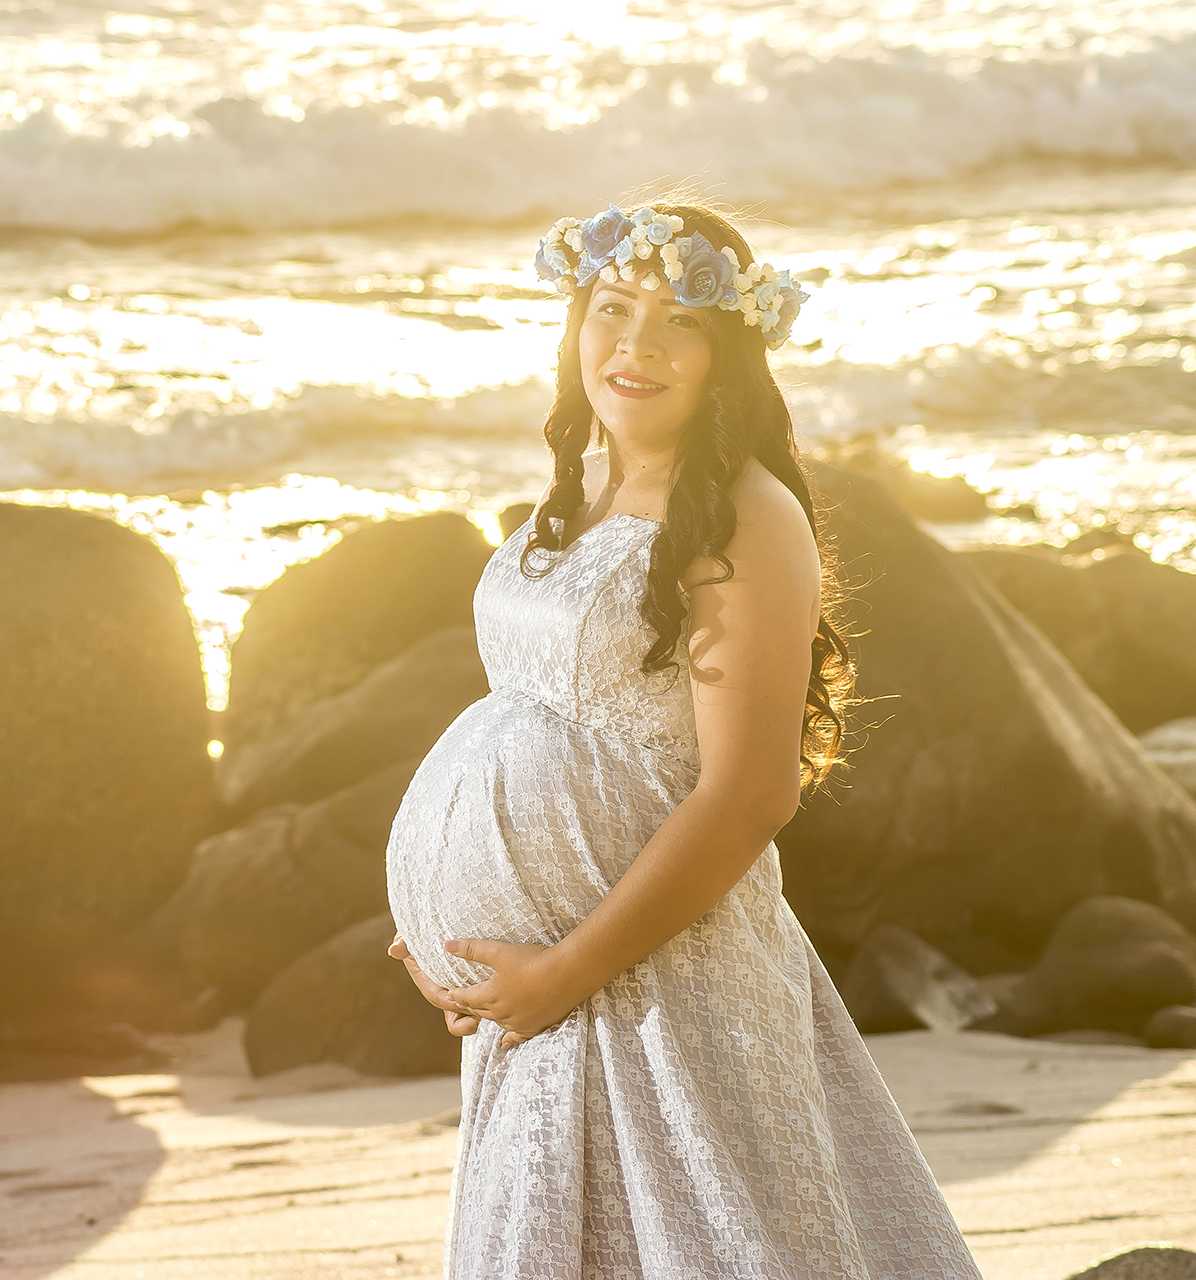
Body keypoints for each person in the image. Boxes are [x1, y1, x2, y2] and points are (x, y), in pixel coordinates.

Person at [383, 202, 982, 1278]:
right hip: (545, 1002)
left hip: (659, 983)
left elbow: (752, 792)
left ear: (730, 355)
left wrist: (566, 965)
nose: (636, 345)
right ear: (574, 326)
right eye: (612, 309)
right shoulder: (577, 493)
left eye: (679, 323)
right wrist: (439, 909)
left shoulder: (747, 516)